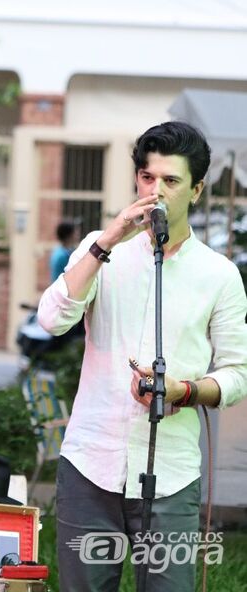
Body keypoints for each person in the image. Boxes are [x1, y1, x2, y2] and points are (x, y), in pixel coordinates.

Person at [37, 121, 247, 591]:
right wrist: (106, 242)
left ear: (196, 190)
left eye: (171, 181)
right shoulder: (101, 251)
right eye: (148, 178)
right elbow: (51, 321)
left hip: (170, 472)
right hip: (91, 464)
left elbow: (238, 374)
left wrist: (186, 391)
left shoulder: (219, 275)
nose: (157, 192)